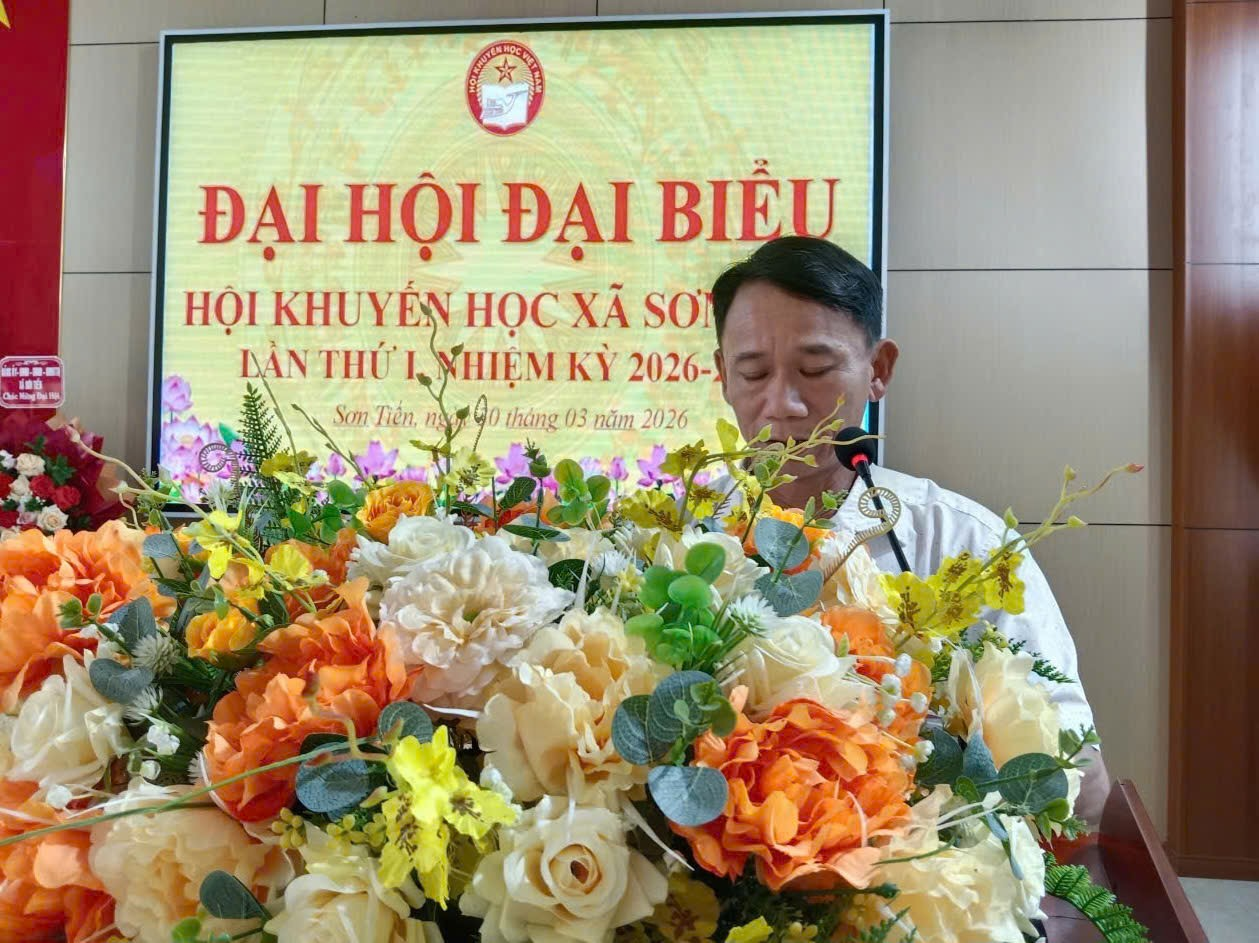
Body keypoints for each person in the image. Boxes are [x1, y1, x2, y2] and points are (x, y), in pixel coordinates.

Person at [710, 235, 1110, 822]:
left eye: (815, 369)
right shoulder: (680, 539)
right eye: (752, 372)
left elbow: (1076, 770)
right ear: (722, 375)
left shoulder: (967, 547)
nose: (783, 404)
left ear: (878, 370)